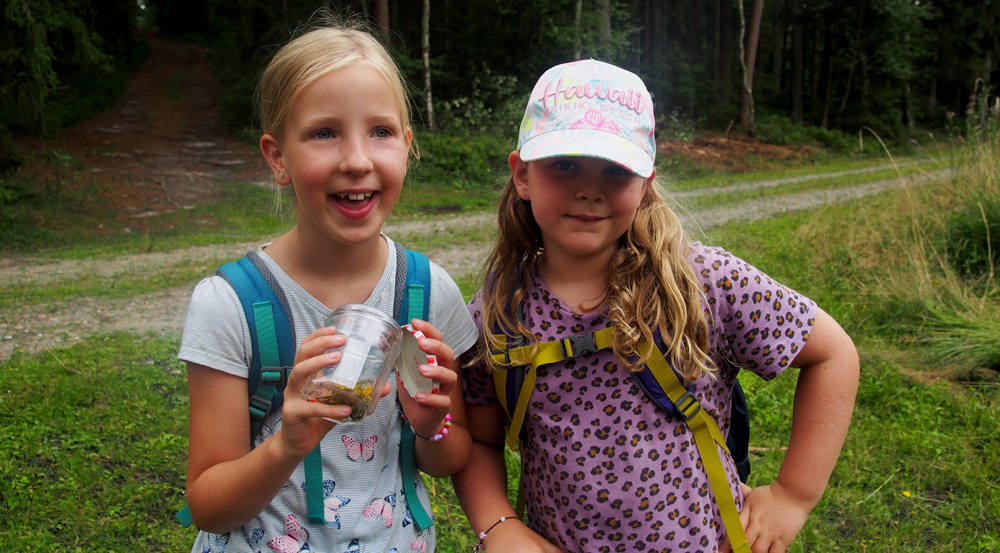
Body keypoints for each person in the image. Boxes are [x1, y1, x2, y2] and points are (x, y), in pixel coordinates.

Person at [453, 59, 860, 553]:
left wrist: (794, 495)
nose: (588, 187)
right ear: (522, 175)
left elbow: (833, 354)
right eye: (563, 164)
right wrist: (499, 526)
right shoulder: (498, 311)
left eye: (616, 169)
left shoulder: (704, 282)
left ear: (645, 184)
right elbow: (480, 441)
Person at [178, 21, 478, 553]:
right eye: (324, 133)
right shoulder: (230, 305)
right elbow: (208, 503)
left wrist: (432, 422)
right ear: (277, 157)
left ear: (407, 147)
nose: (357, 160)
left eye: (381, 132)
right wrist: (285, 444)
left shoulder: (430, 293)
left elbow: (449, 459)